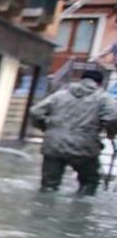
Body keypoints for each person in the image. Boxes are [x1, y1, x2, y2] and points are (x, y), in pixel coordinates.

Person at [30, 66, 117, 195]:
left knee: (48, 186)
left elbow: (35, 111)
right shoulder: (103, 98)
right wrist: (110, 133)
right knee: (90, 182)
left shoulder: (60, 95)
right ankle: (79, 212)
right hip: (84, 147)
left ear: (81, 79)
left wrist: (46, 127)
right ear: (100, 83)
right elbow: (112, 118)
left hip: (54, 145)